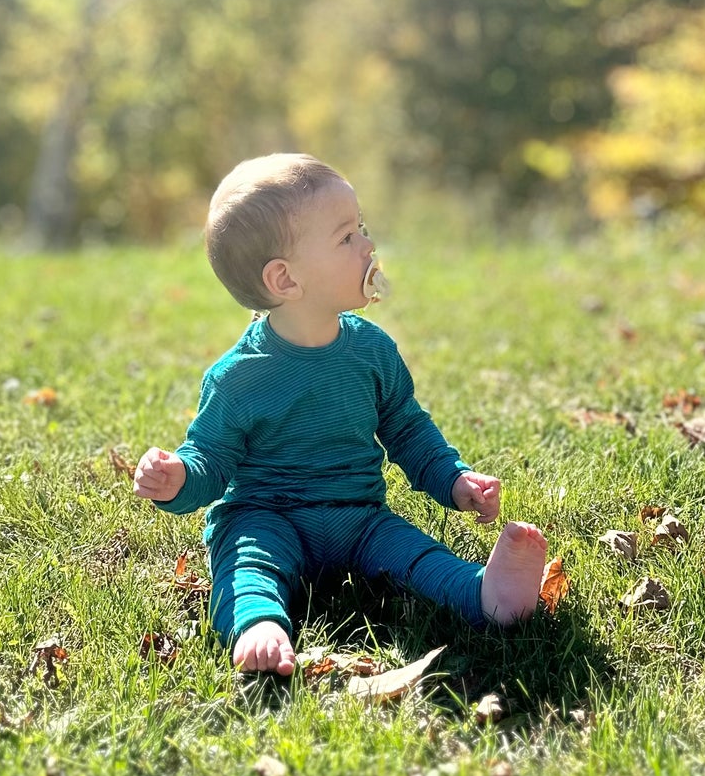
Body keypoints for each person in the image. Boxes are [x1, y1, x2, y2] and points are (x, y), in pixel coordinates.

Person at [132, 152, 550, 674]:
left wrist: (453, 479)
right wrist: (177, 479)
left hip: (359, 517)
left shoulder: (372, 351)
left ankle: (486, 594)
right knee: (248, 563)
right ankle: (260, 624)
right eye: (346, 238)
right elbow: (210, 461)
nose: (369, 246)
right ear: (284, 280)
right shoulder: (239, 376)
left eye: (362, 229)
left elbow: (407, 428)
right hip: (268, 515)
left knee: (413, 553)